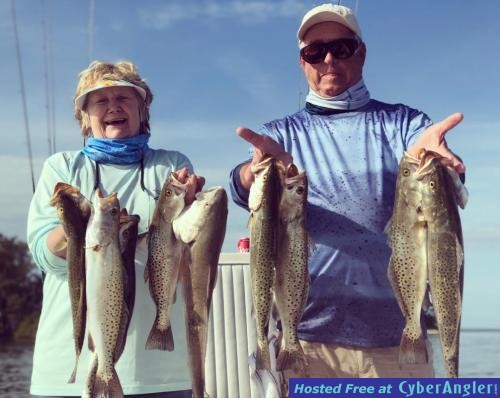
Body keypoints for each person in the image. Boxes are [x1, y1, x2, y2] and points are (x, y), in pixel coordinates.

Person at [229, 3, 465, 381]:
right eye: (314, 51)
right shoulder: (281, 134)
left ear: (361, 52)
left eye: (340, 48)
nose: (328, 59)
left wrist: (437, 163)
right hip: (306, 341)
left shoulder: (404, 123)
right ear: (302, 62)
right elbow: (243, 191)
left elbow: (436, 183)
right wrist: (250, 173)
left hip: (400, 340)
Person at [27, 60, 204, 397]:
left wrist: (192, 209)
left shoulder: (171, 167)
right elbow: (45, 257)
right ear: (84, 116)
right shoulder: (61, 167)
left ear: (142, 107)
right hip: (66, 375)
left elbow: (188, 250)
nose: (113, 107)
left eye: (124, 98)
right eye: (100, 101)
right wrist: (78, 226)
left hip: (160, 374)